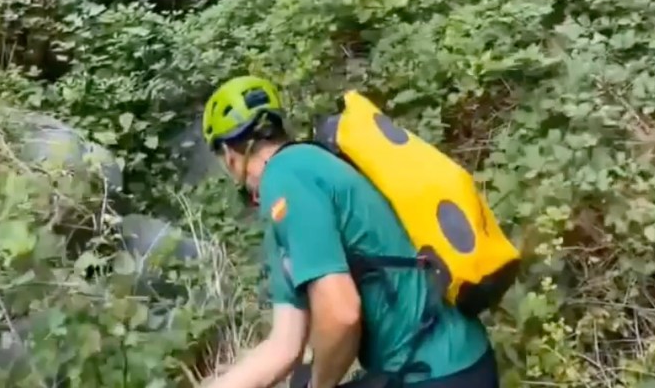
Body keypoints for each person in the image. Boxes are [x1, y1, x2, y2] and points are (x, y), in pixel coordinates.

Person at [201, 75, 500, 388]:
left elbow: (341, 312)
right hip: (457, 361)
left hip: (431, 373)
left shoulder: (285, 177)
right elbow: (283, 347)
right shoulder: (312, 167)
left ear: (230, 155)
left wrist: (320, 385)